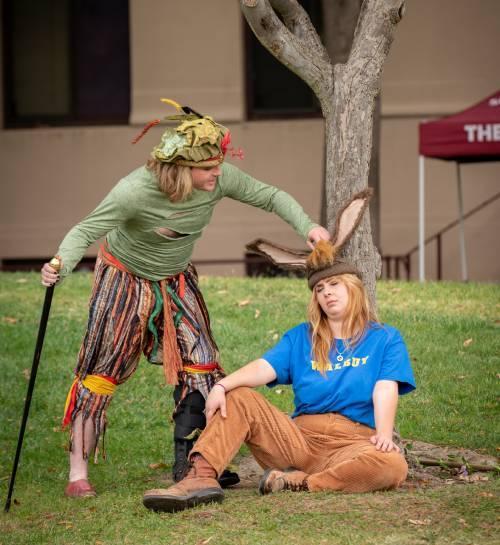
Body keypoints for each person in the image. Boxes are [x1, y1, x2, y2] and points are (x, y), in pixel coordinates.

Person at [40, 99, 330, 498]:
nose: (218, 174)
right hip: (124, 278)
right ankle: (78, 474)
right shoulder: (134, 192)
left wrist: (308, 226)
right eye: (209, 169)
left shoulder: (220, 177)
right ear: (181, 169)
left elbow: (271, 196)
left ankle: (191, 460)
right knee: (99, 371)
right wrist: (59, 263)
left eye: (218, 166)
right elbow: (85, 230)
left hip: (176, 280)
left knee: (202, 362)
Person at [142, 236, 416, 513]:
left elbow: (385, 387)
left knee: (393, 465)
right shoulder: (301, 337)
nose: (327, 293)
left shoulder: (385, 338)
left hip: (353, 444)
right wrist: (221, 386)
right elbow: (264, 367)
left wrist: (383, 434)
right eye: (319, 288)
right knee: (240, 396)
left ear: (354, 287)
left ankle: (302, 483)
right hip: (298, 440)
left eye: (334, 284)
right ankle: (200, 477)